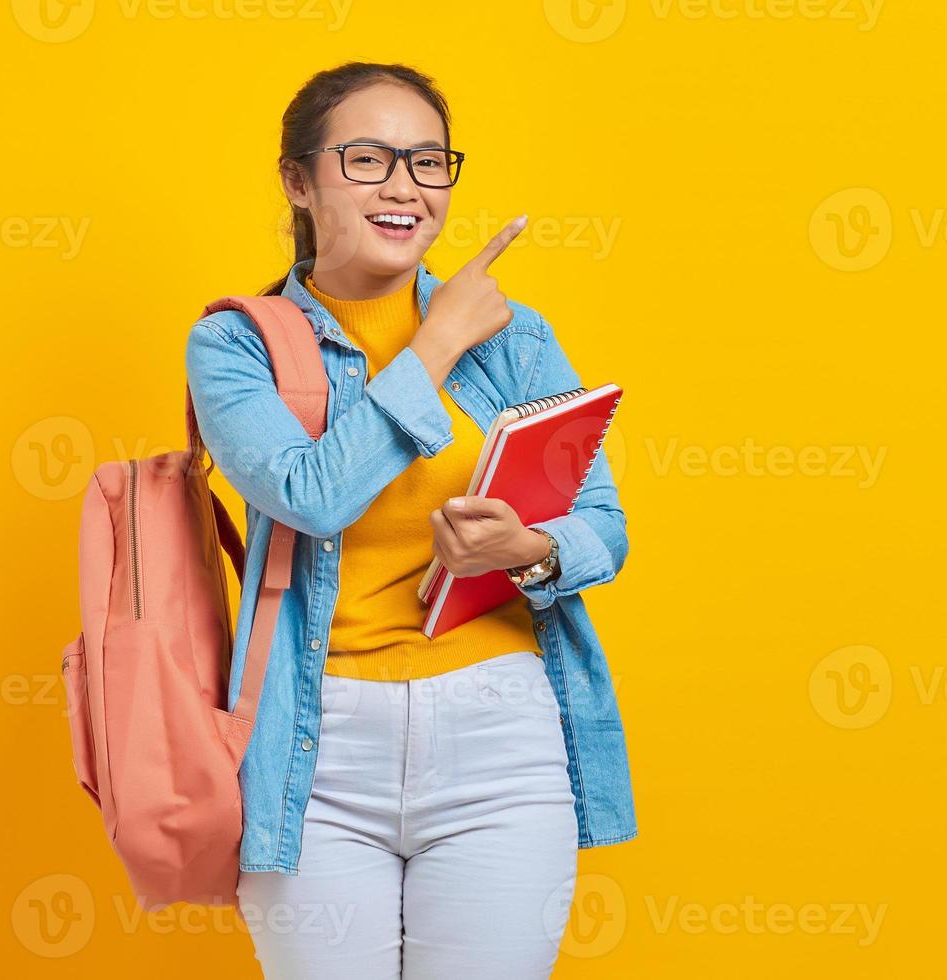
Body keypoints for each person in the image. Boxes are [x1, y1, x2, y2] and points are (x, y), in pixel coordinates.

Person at [183, 61, 637, 979]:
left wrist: (530, 551)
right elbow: (309, 495)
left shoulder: (514, 334)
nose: (404, 187)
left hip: (501, 732)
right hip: (316, 749)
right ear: (298, 181)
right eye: (367, 159)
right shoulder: (236, 342)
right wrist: (434, 343)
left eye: (429, 162)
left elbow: (602, 523)